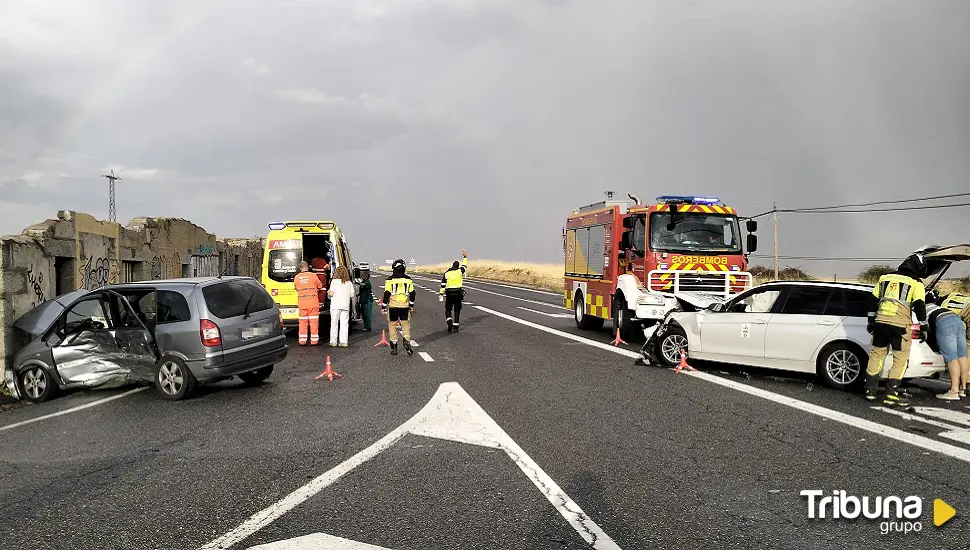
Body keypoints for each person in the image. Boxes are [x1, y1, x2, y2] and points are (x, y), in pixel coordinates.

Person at [863, 253, 928, 406]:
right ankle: (891, 395)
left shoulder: (884, 277)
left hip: (880, 323)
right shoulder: (916, 283)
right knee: (900, 359)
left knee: (876, 356)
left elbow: (872, 299)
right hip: (900, 326)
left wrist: (871, 320)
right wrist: (924, 326)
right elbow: (919, 305)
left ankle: (870, 391)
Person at [926, 292, 969, 400]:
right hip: (956, 319)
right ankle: (963, 389)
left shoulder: (922, 310)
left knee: (951, 358)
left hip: (944, 322)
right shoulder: (940, 305)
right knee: (962, 356)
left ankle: (954, 391)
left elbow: (928, 331)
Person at [381, 259, 415, 356]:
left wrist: (383, 307)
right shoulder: (408, 279)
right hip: (404, 306)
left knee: (392, 325)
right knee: (405, 325)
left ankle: (394, 347)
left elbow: (386, 293)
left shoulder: (389, 280)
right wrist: (411, 305)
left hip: (393, 306)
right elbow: (412, 293)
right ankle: (406, 341)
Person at [941, 291, 970, 396]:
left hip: (967, 312)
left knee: (965, 350)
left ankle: (964, 383)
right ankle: (964, 386)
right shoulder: (955, 295)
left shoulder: (943, 305)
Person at [294, 261, 323, 346]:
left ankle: (302, 341)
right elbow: (320, 286)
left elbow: (296, 288)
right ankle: (314, 341)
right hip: (313, 303)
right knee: (313, 322)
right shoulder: (313, 276)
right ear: (308, 267)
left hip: (302, 304)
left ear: (300, 268)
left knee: (302, 323)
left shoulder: (297, 277)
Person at [439, 249, 468, 333]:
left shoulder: (446, 273)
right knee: (457, 310)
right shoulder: (459, 272)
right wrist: (465, 257)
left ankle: (449, 321)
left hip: (449, 294)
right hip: (458, 293)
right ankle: (456, 326)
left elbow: (443, 285)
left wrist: (441, 294)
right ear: (457, 266)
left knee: (448, 309)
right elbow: (464, 266)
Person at [328, 266, 354, 347]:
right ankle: (343, 341)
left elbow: (331, 293)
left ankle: (333, 341)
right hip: (345, 306)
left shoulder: (334, 281)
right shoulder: (349, 283)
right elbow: (352, 295)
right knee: (344, 324)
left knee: (334, 323)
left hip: (335, 305)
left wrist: (328, 292)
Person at [358, 266, 374, 331]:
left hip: (367, 300)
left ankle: (368, 326)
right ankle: (366, 326)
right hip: (363, 300)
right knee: (364, 314)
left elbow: (363, 285)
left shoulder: (367, 282)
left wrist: (357, 283)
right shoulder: (364, 281)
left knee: (367, 314)